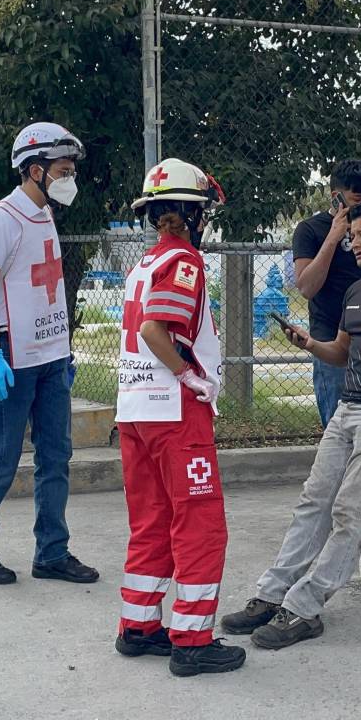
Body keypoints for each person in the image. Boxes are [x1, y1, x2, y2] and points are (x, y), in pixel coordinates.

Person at [221, 200, 361, 649]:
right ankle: (272, 593)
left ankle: (305, 608)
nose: (353, 243)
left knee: (349, 514)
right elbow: (342, 353)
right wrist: (309, 344)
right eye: (351, 236)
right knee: (312, 502)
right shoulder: (355, 291)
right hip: (347, 409)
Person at [113, 158, 245, 678]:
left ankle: (140, 626)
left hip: (135, 413)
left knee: (151, 522)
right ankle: (192, 640)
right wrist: (189, 376)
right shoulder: (183, 261)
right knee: (200, 525)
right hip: (175, 416)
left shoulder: (142, 264)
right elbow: (154, 330)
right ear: (193, 215)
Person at [0, 122, 98, 586]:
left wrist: (62, 353)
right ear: (34, 170)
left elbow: (44, 291)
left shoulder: (45, 215)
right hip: (12, 357)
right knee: (4, 457)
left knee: (56, 457)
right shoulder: (1, 219)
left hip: (52, 359)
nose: (70, 178)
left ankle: (52, 553)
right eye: (63, 170)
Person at [291, 159, 361, 427]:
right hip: (330, 340)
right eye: (356, 197)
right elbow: (306, 287)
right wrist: (334, 235)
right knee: (338, 427)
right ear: (336, 196)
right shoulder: (310, 230)